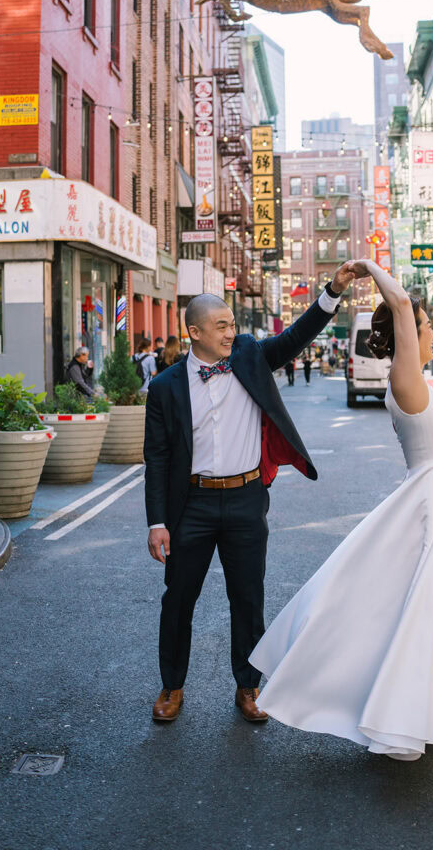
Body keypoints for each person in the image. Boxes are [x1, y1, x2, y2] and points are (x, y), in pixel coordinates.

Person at [250, 259, 433, 761]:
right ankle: (401, 718)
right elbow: (399, 302)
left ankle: (431, 705)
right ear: (406, 332)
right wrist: (368, 268)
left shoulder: (416, 378)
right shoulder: (404, 378)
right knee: (425, 609)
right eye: (425, 328)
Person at [143, 263, 356, 725]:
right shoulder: (164, 389)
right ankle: (172, 686)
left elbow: (296, 337)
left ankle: (248, 686)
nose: (229, 332)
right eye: (220, 326)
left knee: (248, 598)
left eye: (232, 325)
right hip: (191, 506)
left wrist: (333, 290)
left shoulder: (248, 357)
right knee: (178, 599)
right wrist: (157, 522)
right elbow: (157, 459)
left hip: (244, 498)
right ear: (193, 332)